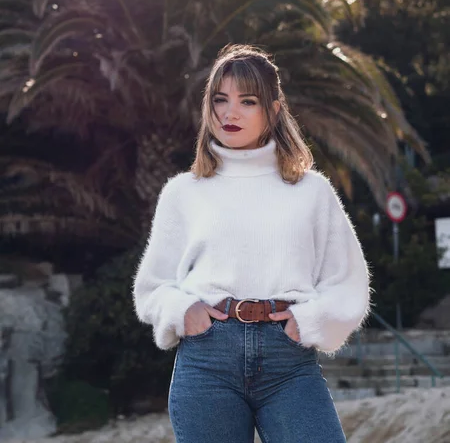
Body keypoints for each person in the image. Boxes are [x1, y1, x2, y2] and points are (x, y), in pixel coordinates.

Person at [133, 44, 370, 443]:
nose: (230, 113)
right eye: (220, 99)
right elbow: (152, 287)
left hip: (289, 363)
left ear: (274, 110)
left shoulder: (312, 192)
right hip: (207, 360)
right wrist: (182, 309)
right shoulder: (183, 193)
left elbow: (348, 281)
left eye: (247, 101)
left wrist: (309, 321)